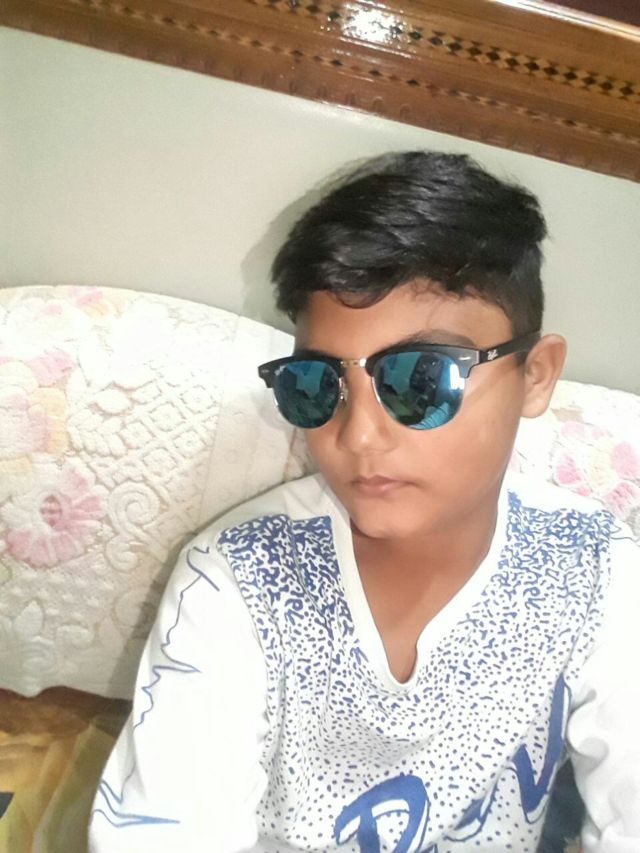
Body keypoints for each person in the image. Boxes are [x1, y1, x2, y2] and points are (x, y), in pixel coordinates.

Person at [88, 151, 640, 852]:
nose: (358, 435)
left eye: (420, 379)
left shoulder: (597, 571)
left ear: (536, 373)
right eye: (317, 384)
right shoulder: (239, 580)